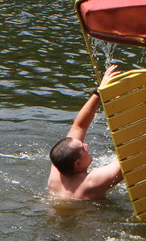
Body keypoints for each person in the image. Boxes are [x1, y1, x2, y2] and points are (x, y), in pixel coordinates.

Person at [48, 66, 124, 200]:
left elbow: (79, 126)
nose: (86, 145)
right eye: (83, 148)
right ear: (77, 163)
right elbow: (131, 156)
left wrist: (99, 92)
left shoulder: (57, 171)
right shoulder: (91, 183)